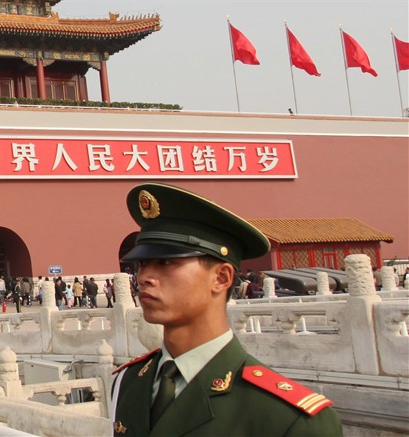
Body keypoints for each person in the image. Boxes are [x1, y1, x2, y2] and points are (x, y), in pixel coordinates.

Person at [110, 183, 341, 436]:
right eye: (142, 264)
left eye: (166, 262)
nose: (144, 277)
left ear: (221, 278)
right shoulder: (130, 383)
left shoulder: (287, 418)